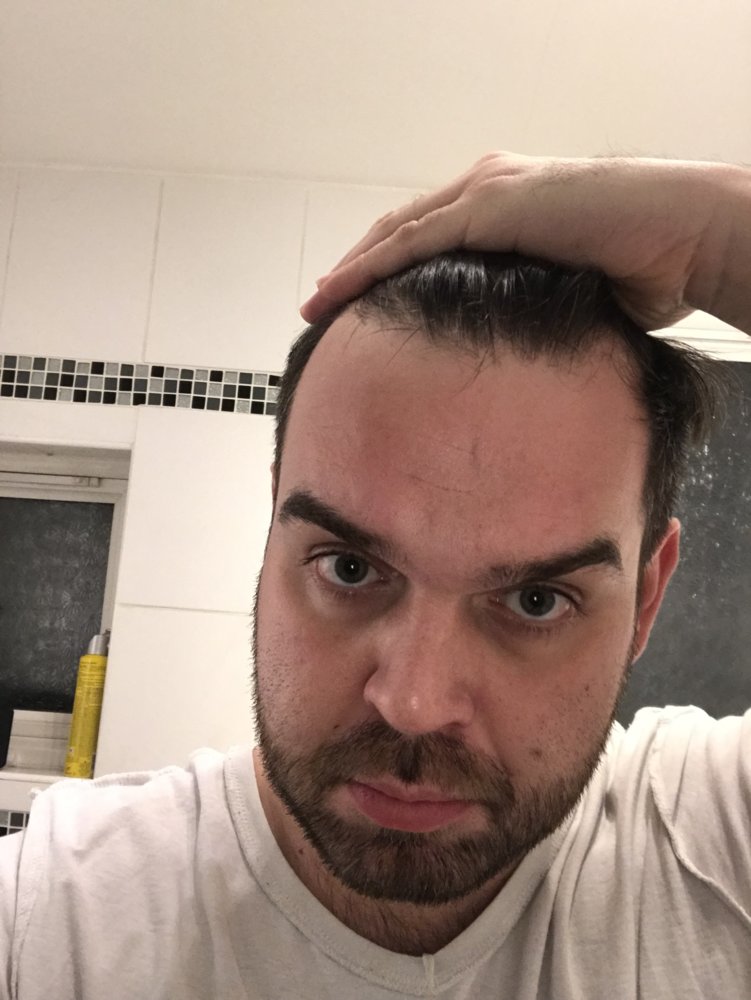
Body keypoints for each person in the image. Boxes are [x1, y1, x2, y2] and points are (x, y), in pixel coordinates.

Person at [1, 153, 749, 999]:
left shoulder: (710, 847)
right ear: (273, 533)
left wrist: (716, 237)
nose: (413, 703)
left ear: (645, 599)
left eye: (535, 601)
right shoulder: (49, 921)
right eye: (351, 569)